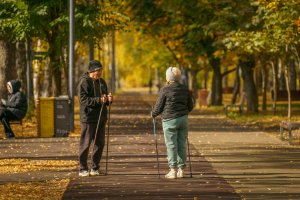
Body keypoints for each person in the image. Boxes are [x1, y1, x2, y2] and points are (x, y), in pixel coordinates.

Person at [151, 67, 193, 179]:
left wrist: (153, 113)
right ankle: (182, 170)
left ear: (168, 77)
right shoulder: (185, 89)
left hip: (169, 120)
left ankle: (173, 170)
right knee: (182, 144)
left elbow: (159, 107)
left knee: (171, 145)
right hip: (183, 119)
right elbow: (191, 106)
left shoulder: (164, 89)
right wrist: (183, 113)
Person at [77, 60, 113, 177]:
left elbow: (104, 98)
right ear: (91, 71)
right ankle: (83, 168)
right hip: (88, 118)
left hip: (101, 117)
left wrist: (108, 99)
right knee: (85, 144)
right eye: (98, 71)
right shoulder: (84, 82)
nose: (100, 74)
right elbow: (83, 100)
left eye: (101, 71)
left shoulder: (101, 82)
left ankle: (95, 168)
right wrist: (99, 100)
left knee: (100, 143)